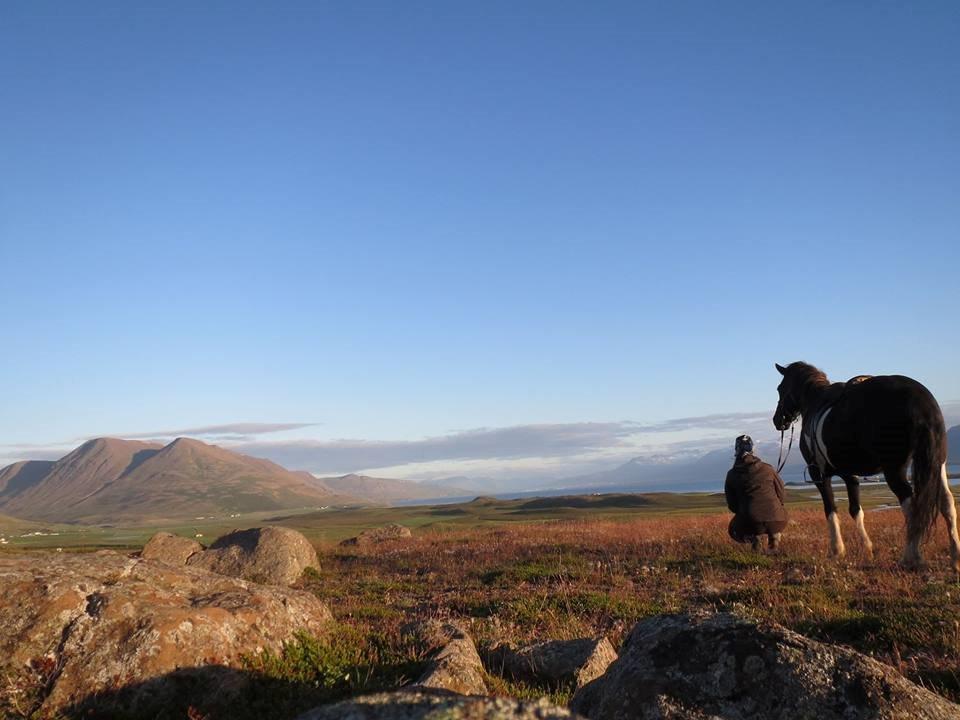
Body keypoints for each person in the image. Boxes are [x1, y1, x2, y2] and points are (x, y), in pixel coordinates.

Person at [724, 435, 787, 551]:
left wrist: (745, 510)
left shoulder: (732, 474)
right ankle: (774, 540)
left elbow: (732, 506)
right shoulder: (768, 468)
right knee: (772, 520)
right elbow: (782, 494)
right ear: (753, 449)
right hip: (778, 520)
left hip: (750, 521)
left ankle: (754, 539)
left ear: (736, 451)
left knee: (733, 529)